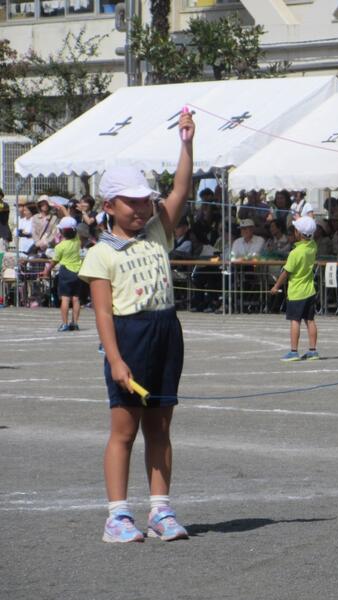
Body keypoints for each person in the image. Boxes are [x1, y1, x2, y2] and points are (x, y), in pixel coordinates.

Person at [78, 110, 195, 543]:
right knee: (124, 431)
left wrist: (186, 143)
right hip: (129, 337)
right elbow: (103, 313)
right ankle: (117, 516)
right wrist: (115, 360)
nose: (142, 208)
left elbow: (181, 188)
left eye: (145, 201)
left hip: (166, 332)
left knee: (160, 427)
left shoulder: (157, 233)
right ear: (109, 206)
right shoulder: (101, 253)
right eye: (132, 202)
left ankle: (160, 511)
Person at [270, 216, 319, 362]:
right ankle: (313, 351)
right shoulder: (313, 246)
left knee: (295, 321)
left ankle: (293, 351)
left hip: (297, 292)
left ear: (299, 233)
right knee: (310, 320)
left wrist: (276, 286)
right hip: (310, 290)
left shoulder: (295, 253)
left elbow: (285, 272)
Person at [40, 216, 83, 331]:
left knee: (65, 299)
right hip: (78, 271)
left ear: (62, 231)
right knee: (76, 299)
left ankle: (65, 324)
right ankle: (75, 323)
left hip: (66, 272)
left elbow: (54, 261)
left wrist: (46, 271)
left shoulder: (60, 246)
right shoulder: (77, 241)